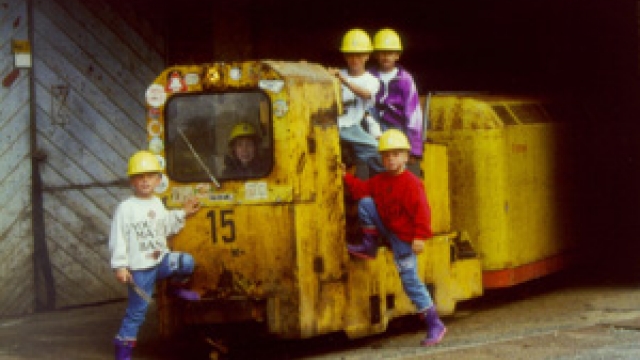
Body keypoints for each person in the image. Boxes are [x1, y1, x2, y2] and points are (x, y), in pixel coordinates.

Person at [340, 129, 446, 346]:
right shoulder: (380, 181)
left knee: (410, 281)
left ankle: (435, 324)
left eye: (396, 154)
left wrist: (420, 237)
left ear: (406, 157)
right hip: (388, 229)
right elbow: (361, 189)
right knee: (366, 203)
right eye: (387, 155)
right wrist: (344, 176)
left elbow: (423, 212)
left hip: (405, 238)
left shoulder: (411, 184)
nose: (390, 159)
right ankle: (369, 245)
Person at [110, 150, 201, 360]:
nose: (145, 181)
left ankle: (175, 289)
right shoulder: (125, 208)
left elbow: (167, 225)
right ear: (132, 180)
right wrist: (120, 266)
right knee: (137, 312)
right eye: (139, 177)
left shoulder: (157, 203)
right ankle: (122, 350)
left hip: (160, 262)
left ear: (159, 179)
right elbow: (118, 238)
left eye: (150, 176)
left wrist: (183, 212)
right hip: (139, 269)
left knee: (185, 262)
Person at [328, 28, 384, 174]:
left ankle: (386, 188)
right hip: (332, 126)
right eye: (350, 55)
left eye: (359, 55)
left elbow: (366, 94)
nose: (354, 59)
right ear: (345, 56)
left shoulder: (372, 81)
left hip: (352, 127)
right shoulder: (336, 74)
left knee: (378, 152)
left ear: (367, 56)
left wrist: (343, 81)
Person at [369, 28, 424, 172]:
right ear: (375, 54)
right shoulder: (369, 77)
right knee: (377, 170)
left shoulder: (405, 79)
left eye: (390, 52)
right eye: (381, 52)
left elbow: (414, 116)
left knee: (397, 170)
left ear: (397, 55)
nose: (386, 56)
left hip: (399, 129)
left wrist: (415, 148)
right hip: (375, 129)